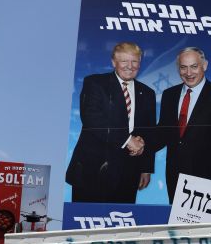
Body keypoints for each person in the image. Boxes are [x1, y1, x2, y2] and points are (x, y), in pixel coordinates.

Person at [66, 42, 155, 203]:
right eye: (124, 61)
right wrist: (128, 141)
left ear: (140, 63)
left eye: (134, 62)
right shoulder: (95, 83)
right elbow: (91, 119)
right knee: (86, 223)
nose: (130, 66)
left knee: (120, 224)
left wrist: (146, 169)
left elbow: (149, 131)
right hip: (92, 171)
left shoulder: (148, 93)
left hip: (128, 173)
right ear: (114, 62)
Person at [155, 47, 211, 204]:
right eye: (183, 67)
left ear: (205, 65)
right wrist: (136, 143)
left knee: (206, 229)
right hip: (175, 178)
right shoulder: (169, 95)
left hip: (210, 181)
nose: (188, 73)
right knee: (177, 228)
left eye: (194, 66)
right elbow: (162, 133)